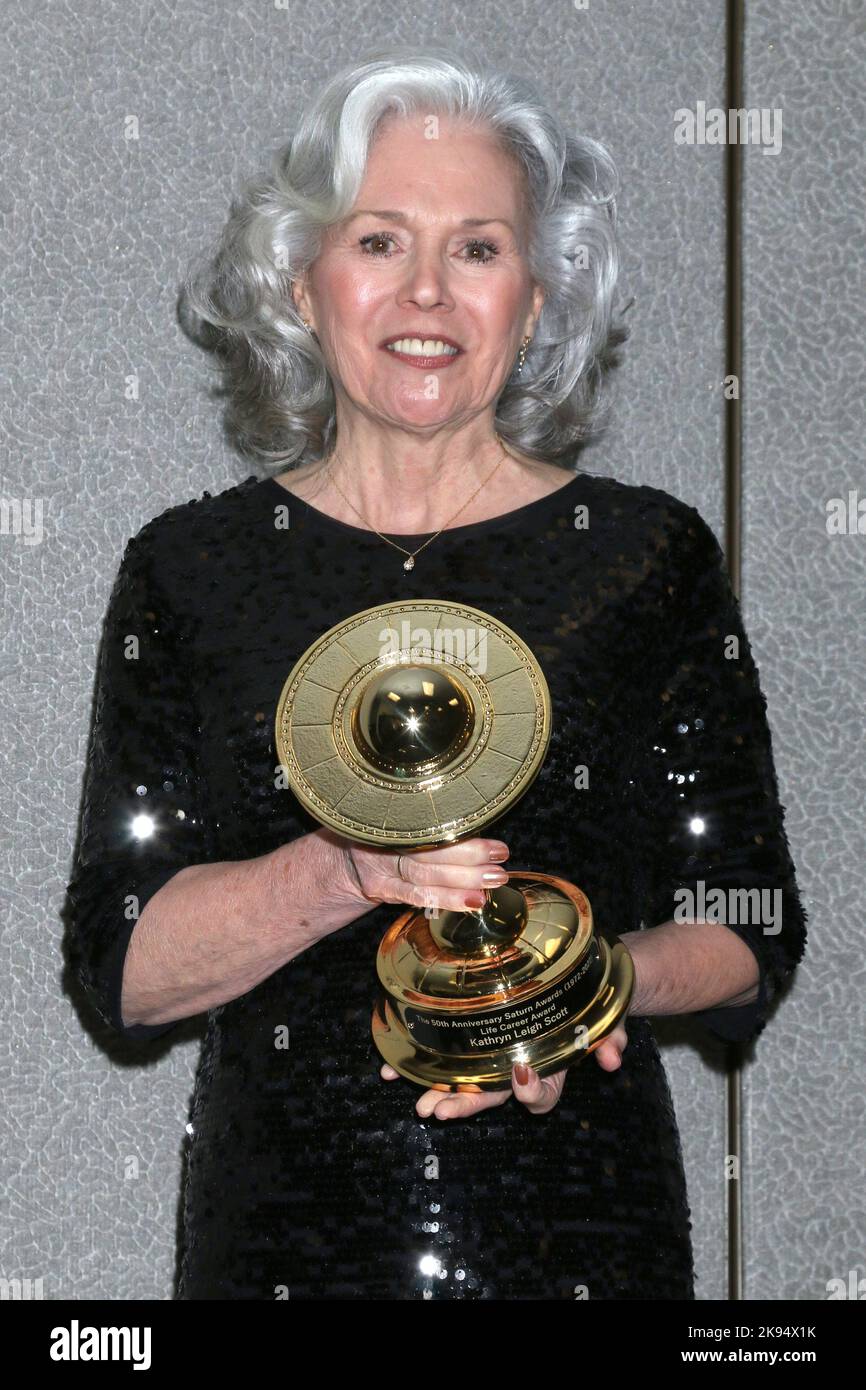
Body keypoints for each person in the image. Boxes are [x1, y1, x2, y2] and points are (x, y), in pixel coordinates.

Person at [64, 46, 808, 1300]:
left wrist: (582, 996)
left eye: (475, 248)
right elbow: (121, 963)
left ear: (531, 300)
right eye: (375, 243)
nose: (425, 292)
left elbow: (750, 921)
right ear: (301, 283)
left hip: (582, 1236)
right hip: (279, 1247)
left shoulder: (644, 558)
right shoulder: (187, 569)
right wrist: (342, 870)